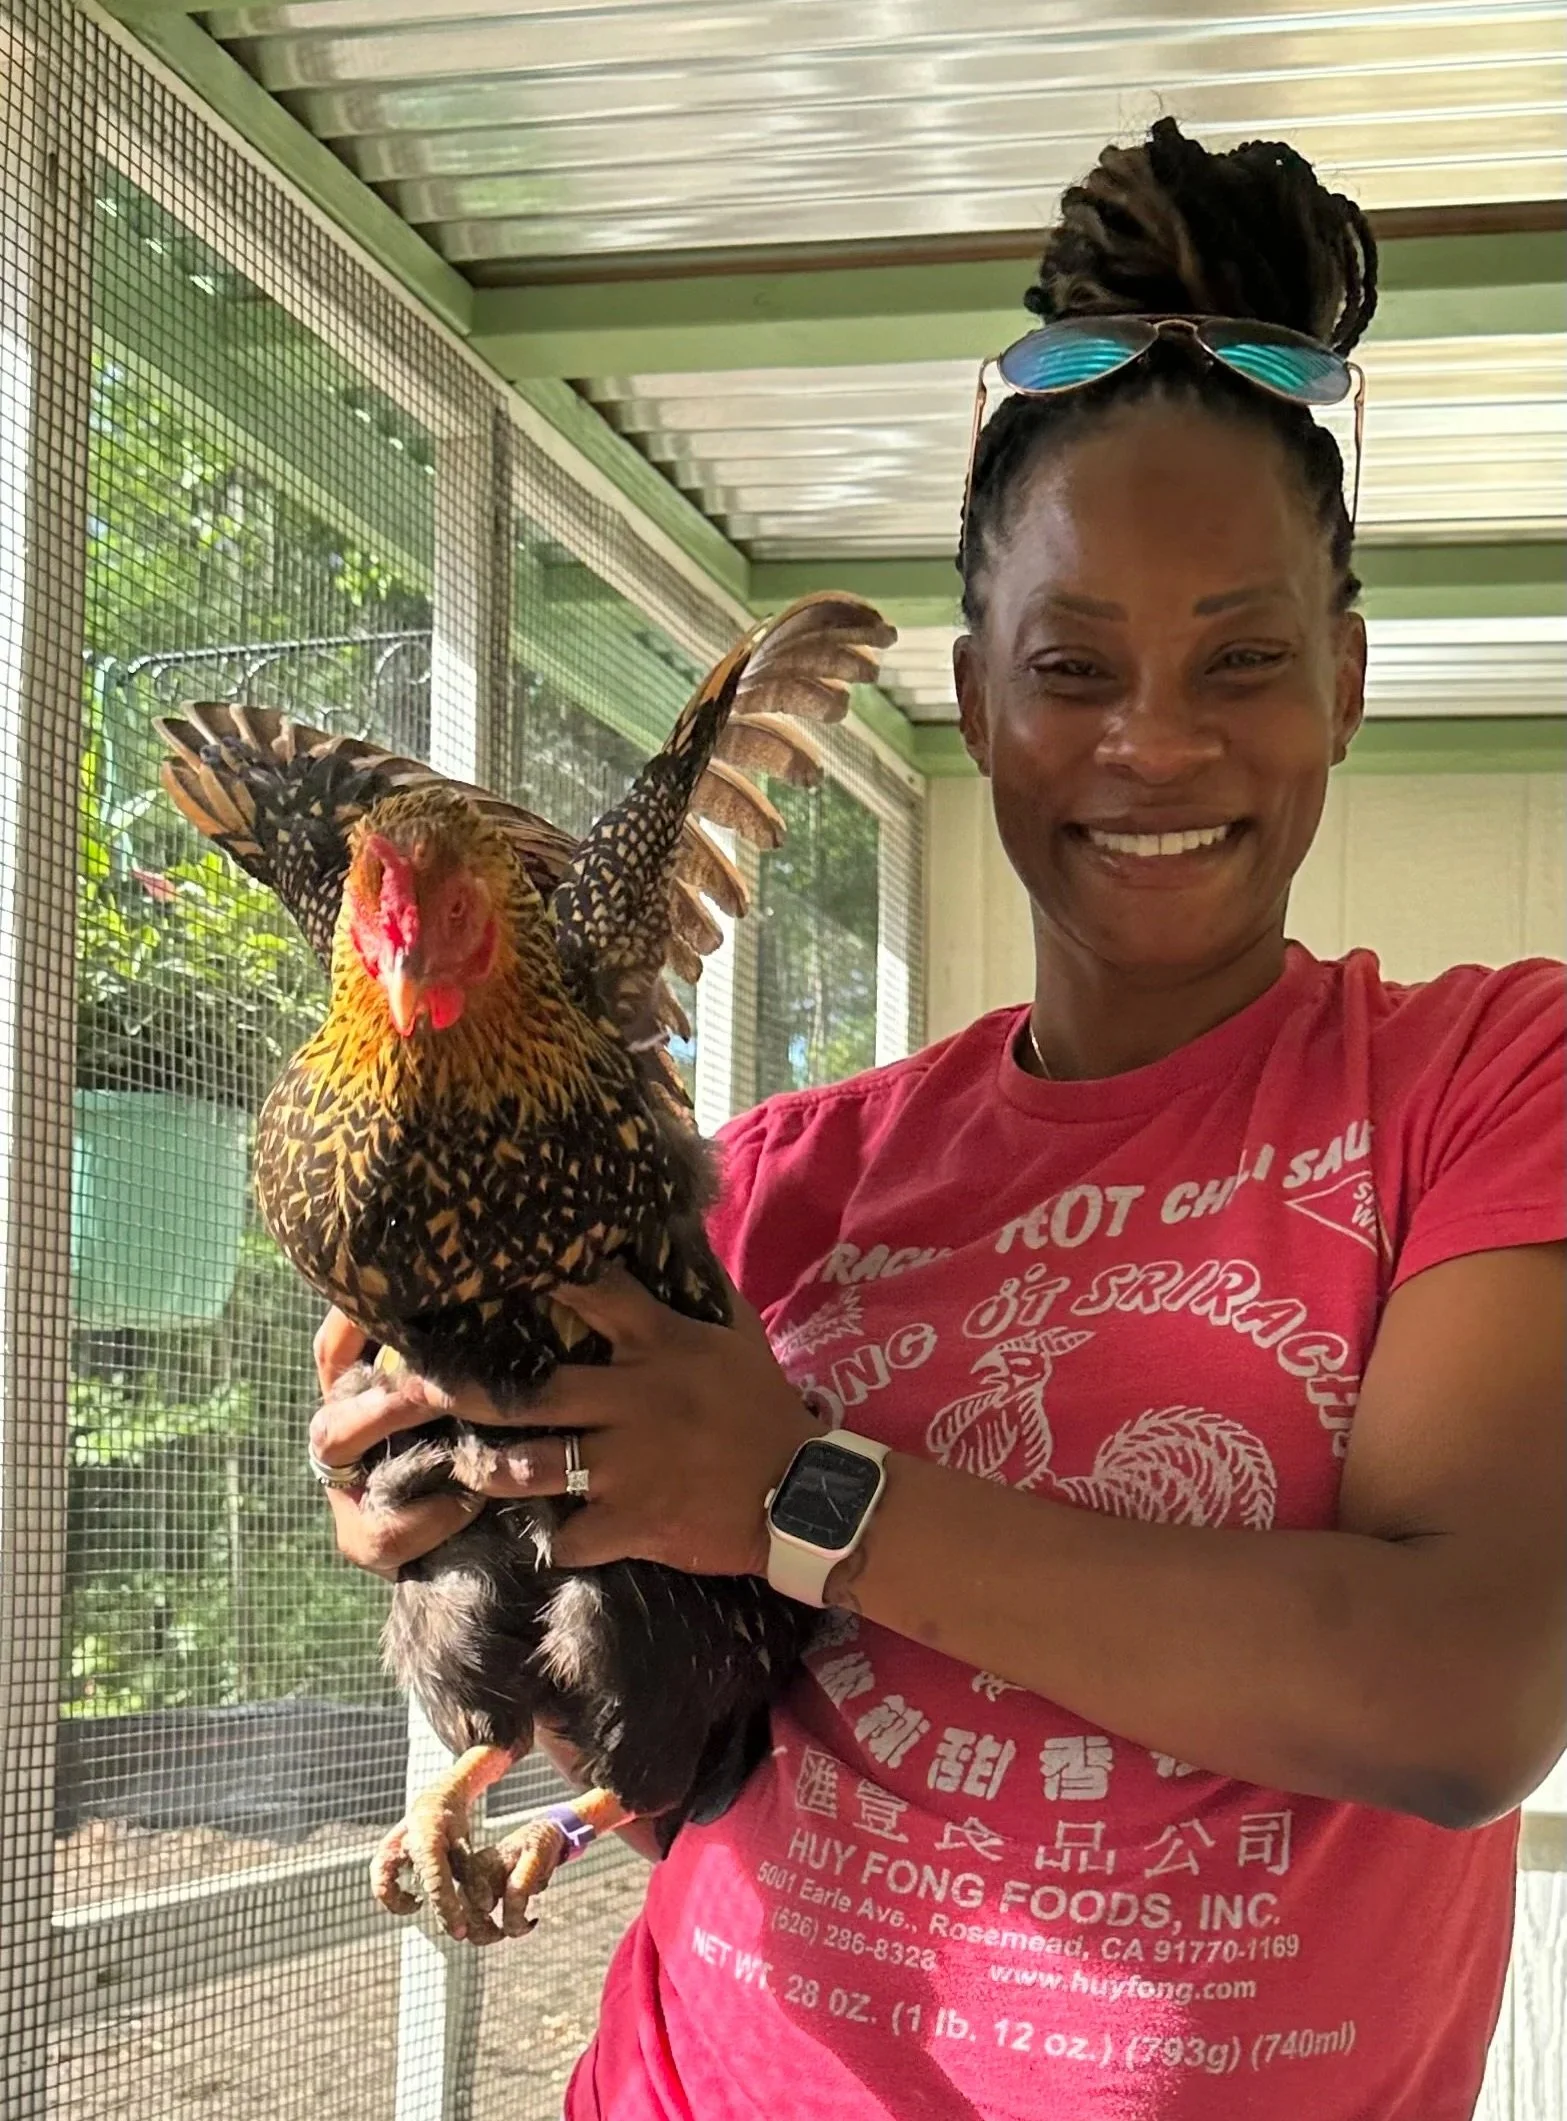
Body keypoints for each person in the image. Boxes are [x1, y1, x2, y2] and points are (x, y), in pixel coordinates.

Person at [306, 120, 1565, 2120]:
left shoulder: (1486, 1080)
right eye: (1073, 667)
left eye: (1242, 659)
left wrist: (799, 1488)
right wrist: (471, 1517)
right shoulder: (784, 1178)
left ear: (1343, 679)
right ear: (977, 704)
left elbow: (1458, 1695)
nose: (1155, 739)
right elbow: (701, 1737)